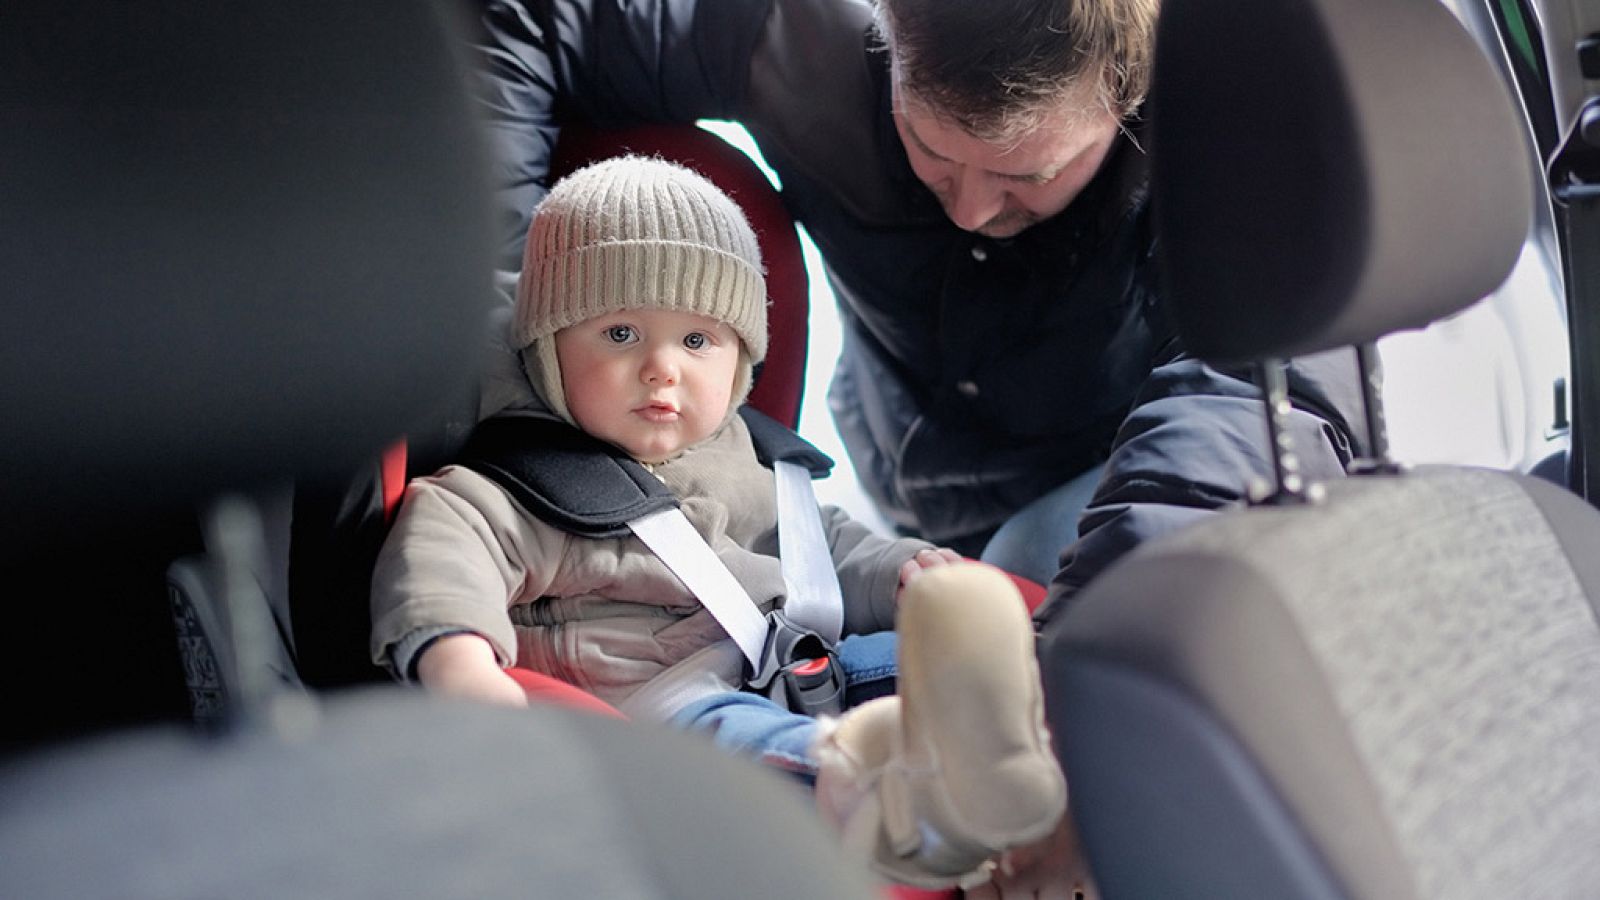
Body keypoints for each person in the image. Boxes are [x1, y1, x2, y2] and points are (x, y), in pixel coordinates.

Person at [466, 0, 1366, 601]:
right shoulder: (802, 36)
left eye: (1027, 174)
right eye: (929, 150)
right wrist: (501, 339)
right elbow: (521, 23)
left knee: (1023, 567)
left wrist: (1081, 659)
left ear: (1129, 97)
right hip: (889, 450)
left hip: (1106, 474)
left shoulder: (1226, 138)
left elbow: (1255, 400)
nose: (972, 207)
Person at [370, 156, 1071, 891]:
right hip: (664, 717)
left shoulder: (749, 459)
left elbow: (819, 548)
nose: (661, 368)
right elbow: (446, 543)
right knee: (750, 742)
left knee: (926, 657)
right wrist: (458, 658)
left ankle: (1018, 754)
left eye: (697, 341)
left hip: (793, 665)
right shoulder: (526, 480)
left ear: (741, 360)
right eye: (618, 334)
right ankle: (892, 800)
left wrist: (902, 572)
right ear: (547, 349)